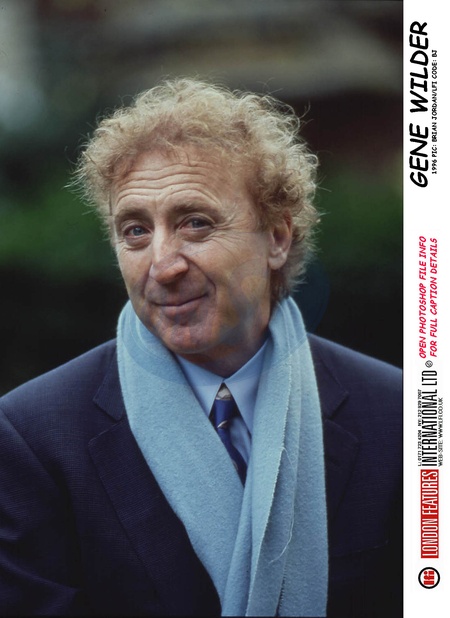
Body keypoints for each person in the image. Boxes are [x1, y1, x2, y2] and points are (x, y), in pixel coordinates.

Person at [0, 78, 402, 617]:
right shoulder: (33, 437)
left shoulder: (401, 416)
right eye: (135, 231)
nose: (163, 265)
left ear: (277, 237)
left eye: (195, 223)